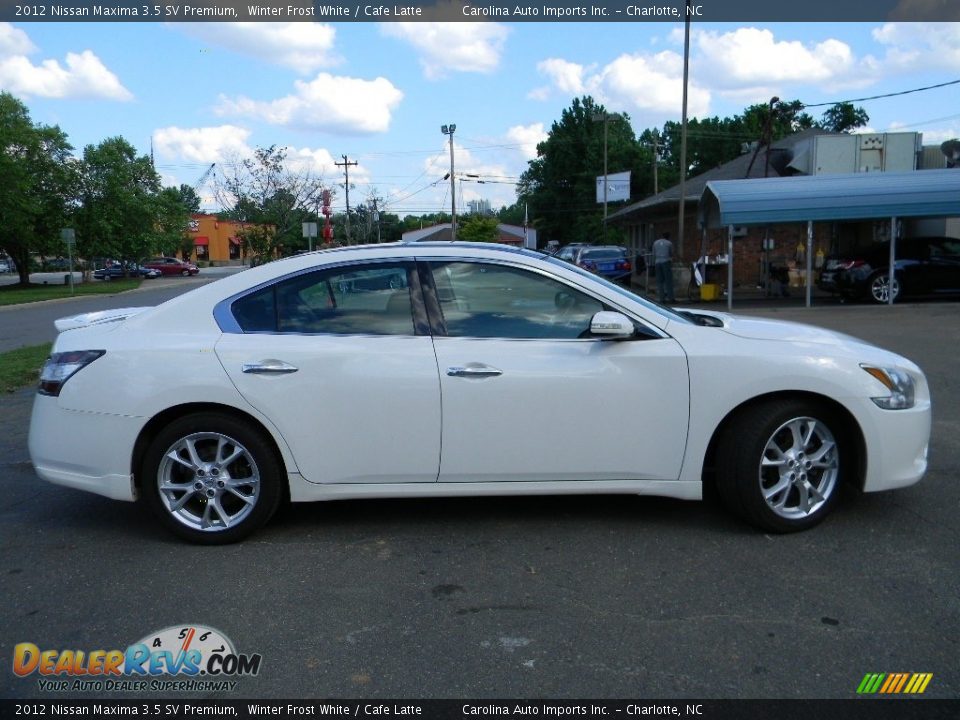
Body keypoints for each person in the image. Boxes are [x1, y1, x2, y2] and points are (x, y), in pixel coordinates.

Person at [652, 231, 675, 303]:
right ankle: (671, 298)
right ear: (668, 237)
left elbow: (653, 253)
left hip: (657, 262)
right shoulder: (669, 243)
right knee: (668, 281)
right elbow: (671, 253)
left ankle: (662, 298)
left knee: (660, 281)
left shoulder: (655, 243)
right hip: (666, 261)